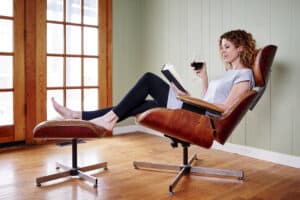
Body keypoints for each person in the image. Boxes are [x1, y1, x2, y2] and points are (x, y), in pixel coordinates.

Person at [52, 29, 256, 131]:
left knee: (149, 79)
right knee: (140, 104)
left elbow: (224, 110)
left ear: (240, 48)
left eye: (227, 46)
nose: (223, 51)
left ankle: (108, 119)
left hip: (203, 119)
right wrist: (203, 78)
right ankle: (80, 115)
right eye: (222, 46)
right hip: (197, 108)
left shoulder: (244, 74)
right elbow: (209, 99)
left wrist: (191, 101)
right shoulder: (229, 74)